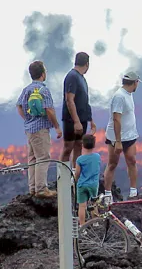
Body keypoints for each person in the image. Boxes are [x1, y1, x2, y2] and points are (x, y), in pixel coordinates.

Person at [16, 60, 61, 198]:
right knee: (43, 157)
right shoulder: (43, 90)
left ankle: (33, 188)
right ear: (42, 74)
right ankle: (41, 189)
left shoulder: (26, 90)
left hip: (29, 129)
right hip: (41, 128)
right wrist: (57, 127)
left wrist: (28, 119)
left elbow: (18, 106)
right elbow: (49, 110)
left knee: (32, 158)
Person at [103, 71, 141, 202]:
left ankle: (133, 192)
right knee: (112, 163)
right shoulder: (119, 96)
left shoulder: (129, 94)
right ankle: (108, 194)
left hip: (130, 136)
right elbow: (116, 119)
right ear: (134, 82)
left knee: (132, 161)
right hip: (116, 138)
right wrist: (118, 141)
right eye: (137, 83)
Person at [60, 52, 96, 172]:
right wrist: (76, 122)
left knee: (78, 146)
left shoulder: (82, 78)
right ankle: (63, 177)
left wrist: (91, 120)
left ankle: (75, 175)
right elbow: (69, 100)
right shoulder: (72, 76)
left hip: (83, 118)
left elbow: (85, 100)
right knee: (68, 147)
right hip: (71, 120)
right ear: (87, 64)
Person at [75, 134, 101, 225]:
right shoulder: (97, 156)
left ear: (82, 145)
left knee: (82, 206)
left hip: (82, 185)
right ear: (94, 145)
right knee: (94, 203)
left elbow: (77, 173)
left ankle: (82, 225)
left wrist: (75, 179)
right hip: (93, 185)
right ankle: (95, 223)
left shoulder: (80, 159)